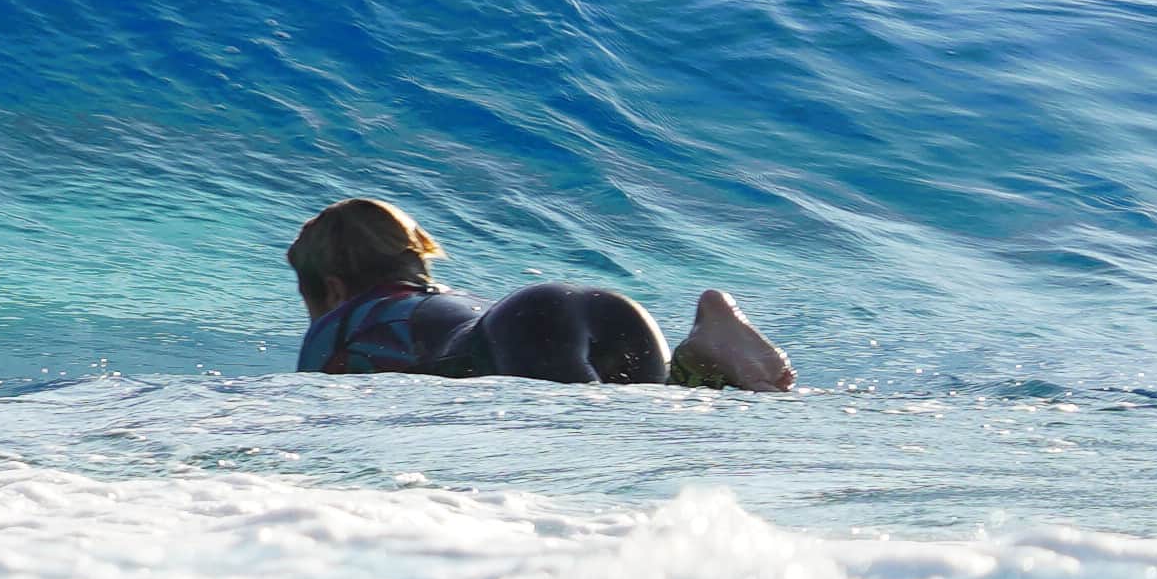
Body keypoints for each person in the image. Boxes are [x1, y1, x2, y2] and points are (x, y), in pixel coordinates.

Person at [284, 197, 795, 390]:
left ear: (332, 288)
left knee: (596, 455)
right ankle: (699, 354)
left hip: (525, 328)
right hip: (603, 312)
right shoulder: (442, 301)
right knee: (649, 413)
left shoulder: (343, 322)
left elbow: (327, 405)